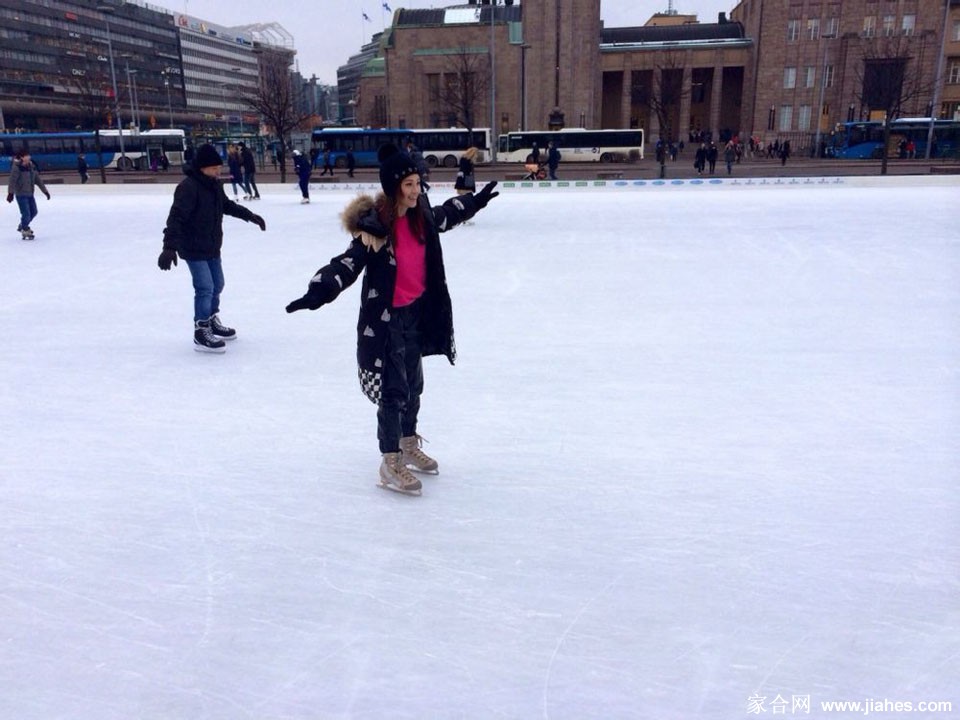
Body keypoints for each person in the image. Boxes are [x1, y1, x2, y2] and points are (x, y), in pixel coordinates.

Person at [285, 144, 499, 495]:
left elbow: (447, 214)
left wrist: (475, 201)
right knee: (392, 392)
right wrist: (319, 291)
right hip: (385, 321)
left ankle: (408, 443)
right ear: (393, 186)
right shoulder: (377, 226)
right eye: (409, 184)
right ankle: (390, 461)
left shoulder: (421, 215)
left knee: (414, 387)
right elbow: (347, 263)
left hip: (416, 313)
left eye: (419, 183)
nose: (417, 190)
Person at [157, 143, 266, 353]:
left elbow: (226, 206)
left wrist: (250, 216)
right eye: (215, 168)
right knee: (205, 287)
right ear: (203, 168)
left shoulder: (214, 185)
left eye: (219, 167)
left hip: (212, 245)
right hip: (193, 247)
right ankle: (201, 330)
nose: (219, 171)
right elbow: (176, 218)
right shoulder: (188, 188)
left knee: (218, 284)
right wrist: (169, 247)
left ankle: (211, 318)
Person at [6, 151, 50, 240]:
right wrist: (10, 193)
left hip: (30, 194)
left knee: (34, 212)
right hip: (21, 194)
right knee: (26, 214)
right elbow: (12, 181)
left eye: (29, 155)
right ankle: (25, 229)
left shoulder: (31, 167)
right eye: (26, 155)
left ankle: (22, 225)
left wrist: (45, 191)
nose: (29, 157)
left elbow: (38, 180)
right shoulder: (17, 168)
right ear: (22, 157)